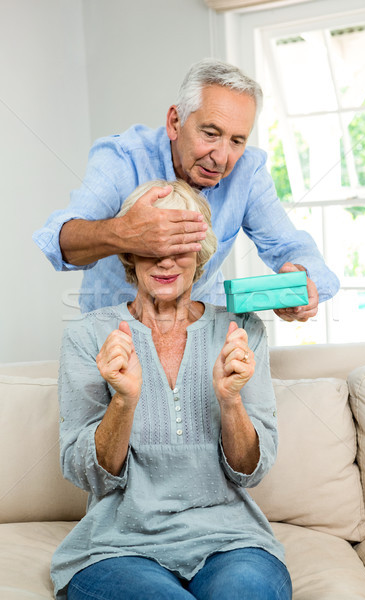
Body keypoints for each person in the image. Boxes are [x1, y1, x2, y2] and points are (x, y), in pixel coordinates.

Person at [51, 179, 292, 600]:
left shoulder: (241, 331)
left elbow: (251, 470)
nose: (165, 262)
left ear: (200, 252)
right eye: (151, 246)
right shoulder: (88, 337)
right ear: (129, 251)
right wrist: (123, 401)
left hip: (231, 542)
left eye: (179, 246)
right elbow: (84, 472)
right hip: (118, 547)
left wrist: (230, 400)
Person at [33, 58, 339, 321]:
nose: (221, 157)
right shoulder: (123, 158)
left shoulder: (248, 170)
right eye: (210, 133)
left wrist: (303, 283)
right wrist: (125, 233)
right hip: (114, 337)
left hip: (198, 338)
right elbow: (57, 243)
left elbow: (291, 248)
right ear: (175, 122)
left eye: (237, 140)